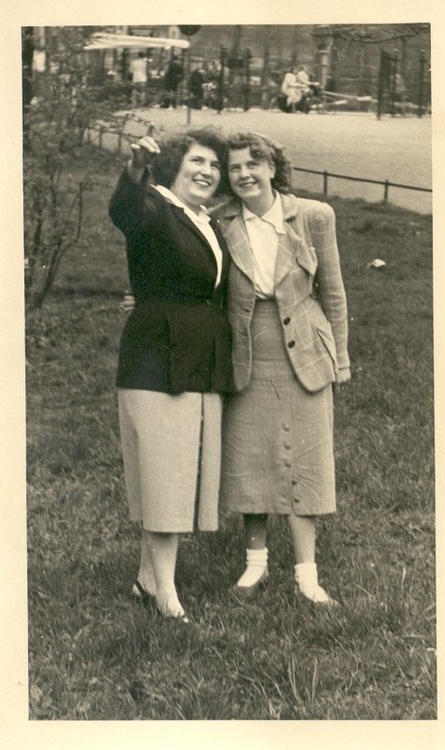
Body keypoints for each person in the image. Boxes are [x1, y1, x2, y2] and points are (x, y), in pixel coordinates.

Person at [214, 132, 351, 607]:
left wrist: (343, 359)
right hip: (248, 354)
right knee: (250, 457)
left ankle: (307, 574)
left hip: (306, 353)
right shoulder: (221, 221)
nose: (245, 174)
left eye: (254, 164)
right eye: (235, 168)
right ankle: (255, 564)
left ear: (273, 167)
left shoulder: (313, 217)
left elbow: (333, 292)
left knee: (308, 460)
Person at [108, 128, 233, 622]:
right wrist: (135, 168)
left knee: (175, 477)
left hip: (197, 358)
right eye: (197, 162)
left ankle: (146, 580)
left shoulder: (204, 220)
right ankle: (166, 593)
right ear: (174, 167)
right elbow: (125, 213)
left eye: (214, 166)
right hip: (157, 359)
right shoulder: (156, 206)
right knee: (165, 478)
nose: (207, 172)